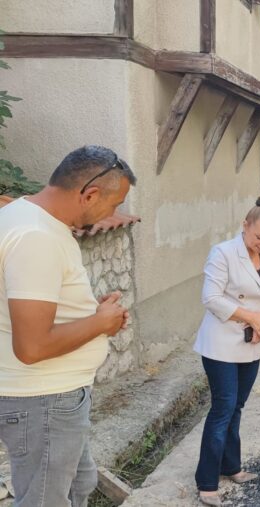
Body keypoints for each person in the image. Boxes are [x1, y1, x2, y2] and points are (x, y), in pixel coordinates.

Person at [0, 146, 134, 506]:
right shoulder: (36, 237)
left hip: (55, 398)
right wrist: (99, 322)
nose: (115, 213)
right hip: (43, 400)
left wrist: (96, 315)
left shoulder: (29, 218)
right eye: (114, 203)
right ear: (90, 194)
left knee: (80, 484)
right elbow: (31, 348)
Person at [193, 197, 260, 506]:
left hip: (253, 341)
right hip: (221, 343)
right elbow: (211, 298)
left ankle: (231, 467)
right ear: (245, 226)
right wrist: (251, 317)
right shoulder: (223, 253)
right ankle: (206, 482)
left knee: (238, 406)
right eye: (259, 236)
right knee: (223, 407)